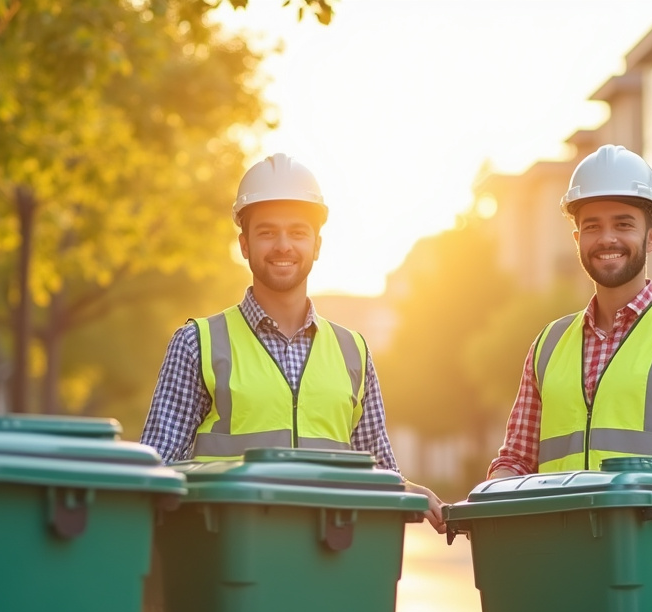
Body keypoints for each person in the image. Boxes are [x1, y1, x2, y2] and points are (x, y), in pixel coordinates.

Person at [141, 152, 444, 531]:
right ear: (245, 245)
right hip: (231, 555)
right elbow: (156, 474)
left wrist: (408, 490)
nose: (283, 245)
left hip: (331, 559)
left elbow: (379, 473)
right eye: (267, 232)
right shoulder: (197, 345)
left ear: (317, 245)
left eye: (298, 232)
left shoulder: (353, 352)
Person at [486, 144, 652, 533]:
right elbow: (516, 458)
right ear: (577, 238)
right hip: (555, 551)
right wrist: (490, 492)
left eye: (623, 224)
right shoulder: (548, 345)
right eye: (592, 226)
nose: (606, 238)